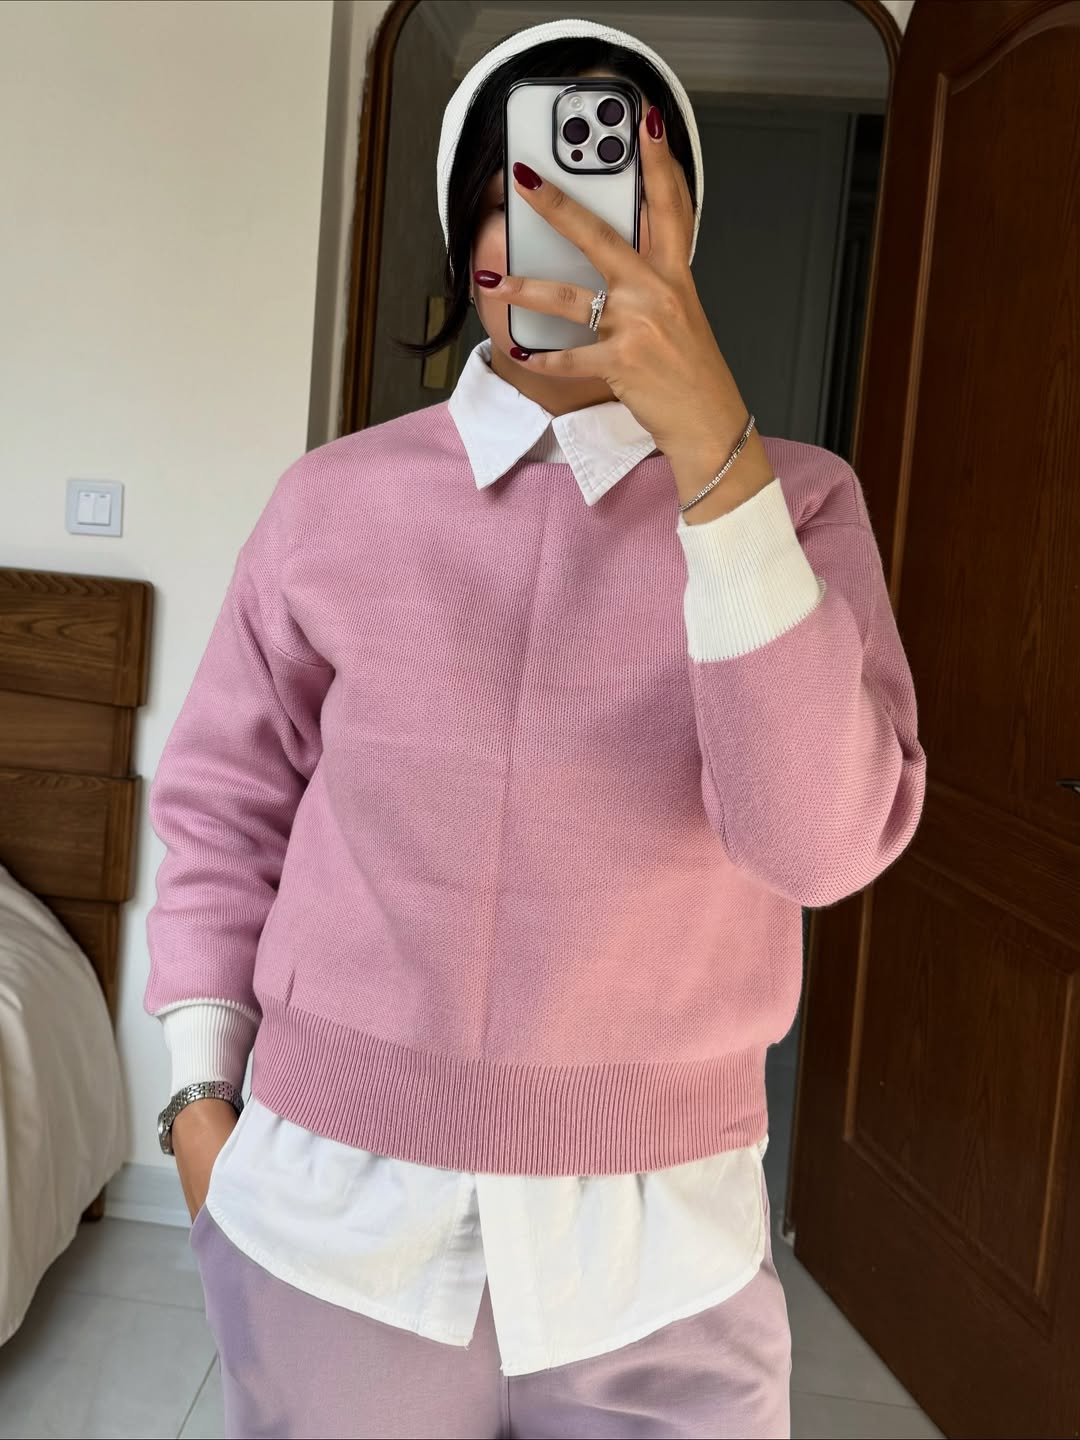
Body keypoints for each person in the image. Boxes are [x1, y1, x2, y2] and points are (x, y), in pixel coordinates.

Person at [145, 18, 925, 1440]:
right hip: (333, 1228)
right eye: (526, 191)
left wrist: (715, 459)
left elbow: (817, 845)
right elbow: (222, 805)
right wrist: (199, 1100)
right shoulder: (332, 503)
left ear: (680, 234)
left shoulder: (800, 505)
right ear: (469, 245)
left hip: (667, 1264)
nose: (571, 232)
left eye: (616, 190)